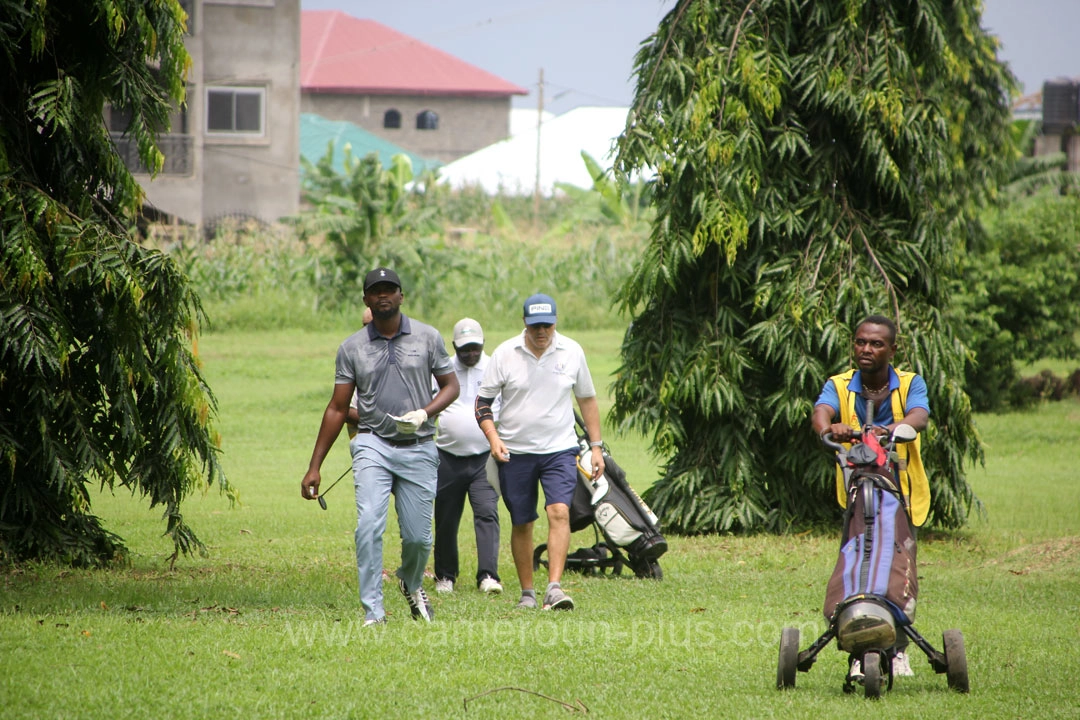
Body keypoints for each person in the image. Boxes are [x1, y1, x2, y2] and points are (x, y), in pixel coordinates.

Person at [301, 268, 459, 626]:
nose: (383, 295)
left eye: (390, 290)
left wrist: (425, 413)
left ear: (402, 296)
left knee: (419, 539)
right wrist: (315, 466)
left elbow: (451, 386)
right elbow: (338, 408)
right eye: (376, 291)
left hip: (419, 445)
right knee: (369, 524)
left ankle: (409, 579)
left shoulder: (428, 337)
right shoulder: (352, 347)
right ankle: (374, 612)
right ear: (367, 301)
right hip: (373, 444)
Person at [811, 314, 930, 678]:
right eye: (861, 342)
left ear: (892, 349)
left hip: (902, 493)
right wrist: (829, 429)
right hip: (857, 493)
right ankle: (857, 651)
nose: (866, 349)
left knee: (899, 563)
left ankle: (899, 647)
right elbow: (821, 412)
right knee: (857, 560)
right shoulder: (840, 383)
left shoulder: (910, 383)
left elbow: (920, 416)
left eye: (876, 344)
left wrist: (892, 429)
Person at [474, 293, 605, 611]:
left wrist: (596, 446)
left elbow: (586, 399)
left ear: (556, 323)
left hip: (559, 449)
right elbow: (482, 404)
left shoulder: (572, 351)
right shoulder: (505, 354)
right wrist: (493, 438)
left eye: (547, 325)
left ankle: (554, 589)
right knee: (522, 521)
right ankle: (528, 592)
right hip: (515, 452)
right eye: (535, 326)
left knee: (559, 512)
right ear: (524, 324)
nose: (541, 332)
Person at [432, 318, 503, 595]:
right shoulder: (443, 369)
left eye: (475, 348)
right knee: (446, 517)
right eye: (465, 350)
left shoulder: (494, 367)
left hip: (484, 457)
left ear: (483, 345)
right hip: (447, 456)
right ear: (454, 347)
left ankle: (488, 575)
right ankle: (445, 576)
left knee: (487, 513)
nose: (470, 354)